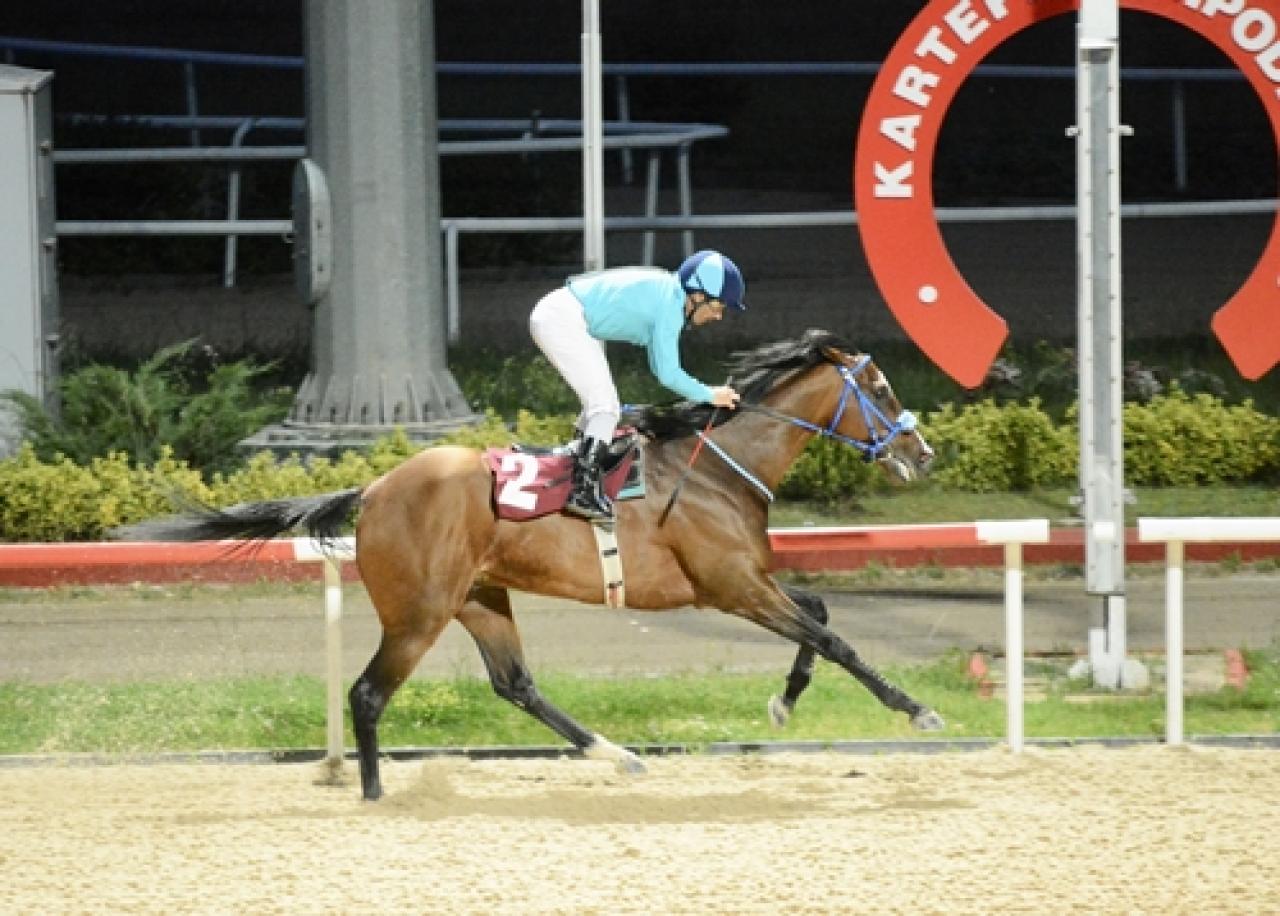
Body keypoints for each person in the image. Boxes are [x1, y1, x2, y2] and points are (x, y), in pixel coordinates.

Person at [529, 249, 746, 521]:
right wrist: (710, 394)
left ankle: (576, 466)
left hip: (562, 314)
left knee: (603, 405)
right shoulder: (671, 304)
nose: (718, 316)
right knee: (605, 407)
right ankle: (581, 489)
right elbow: (668, 374)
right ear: (698, 296)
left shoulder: (670, 294)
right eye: (718, 306)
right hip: (562, 319)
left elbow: (659, 368)